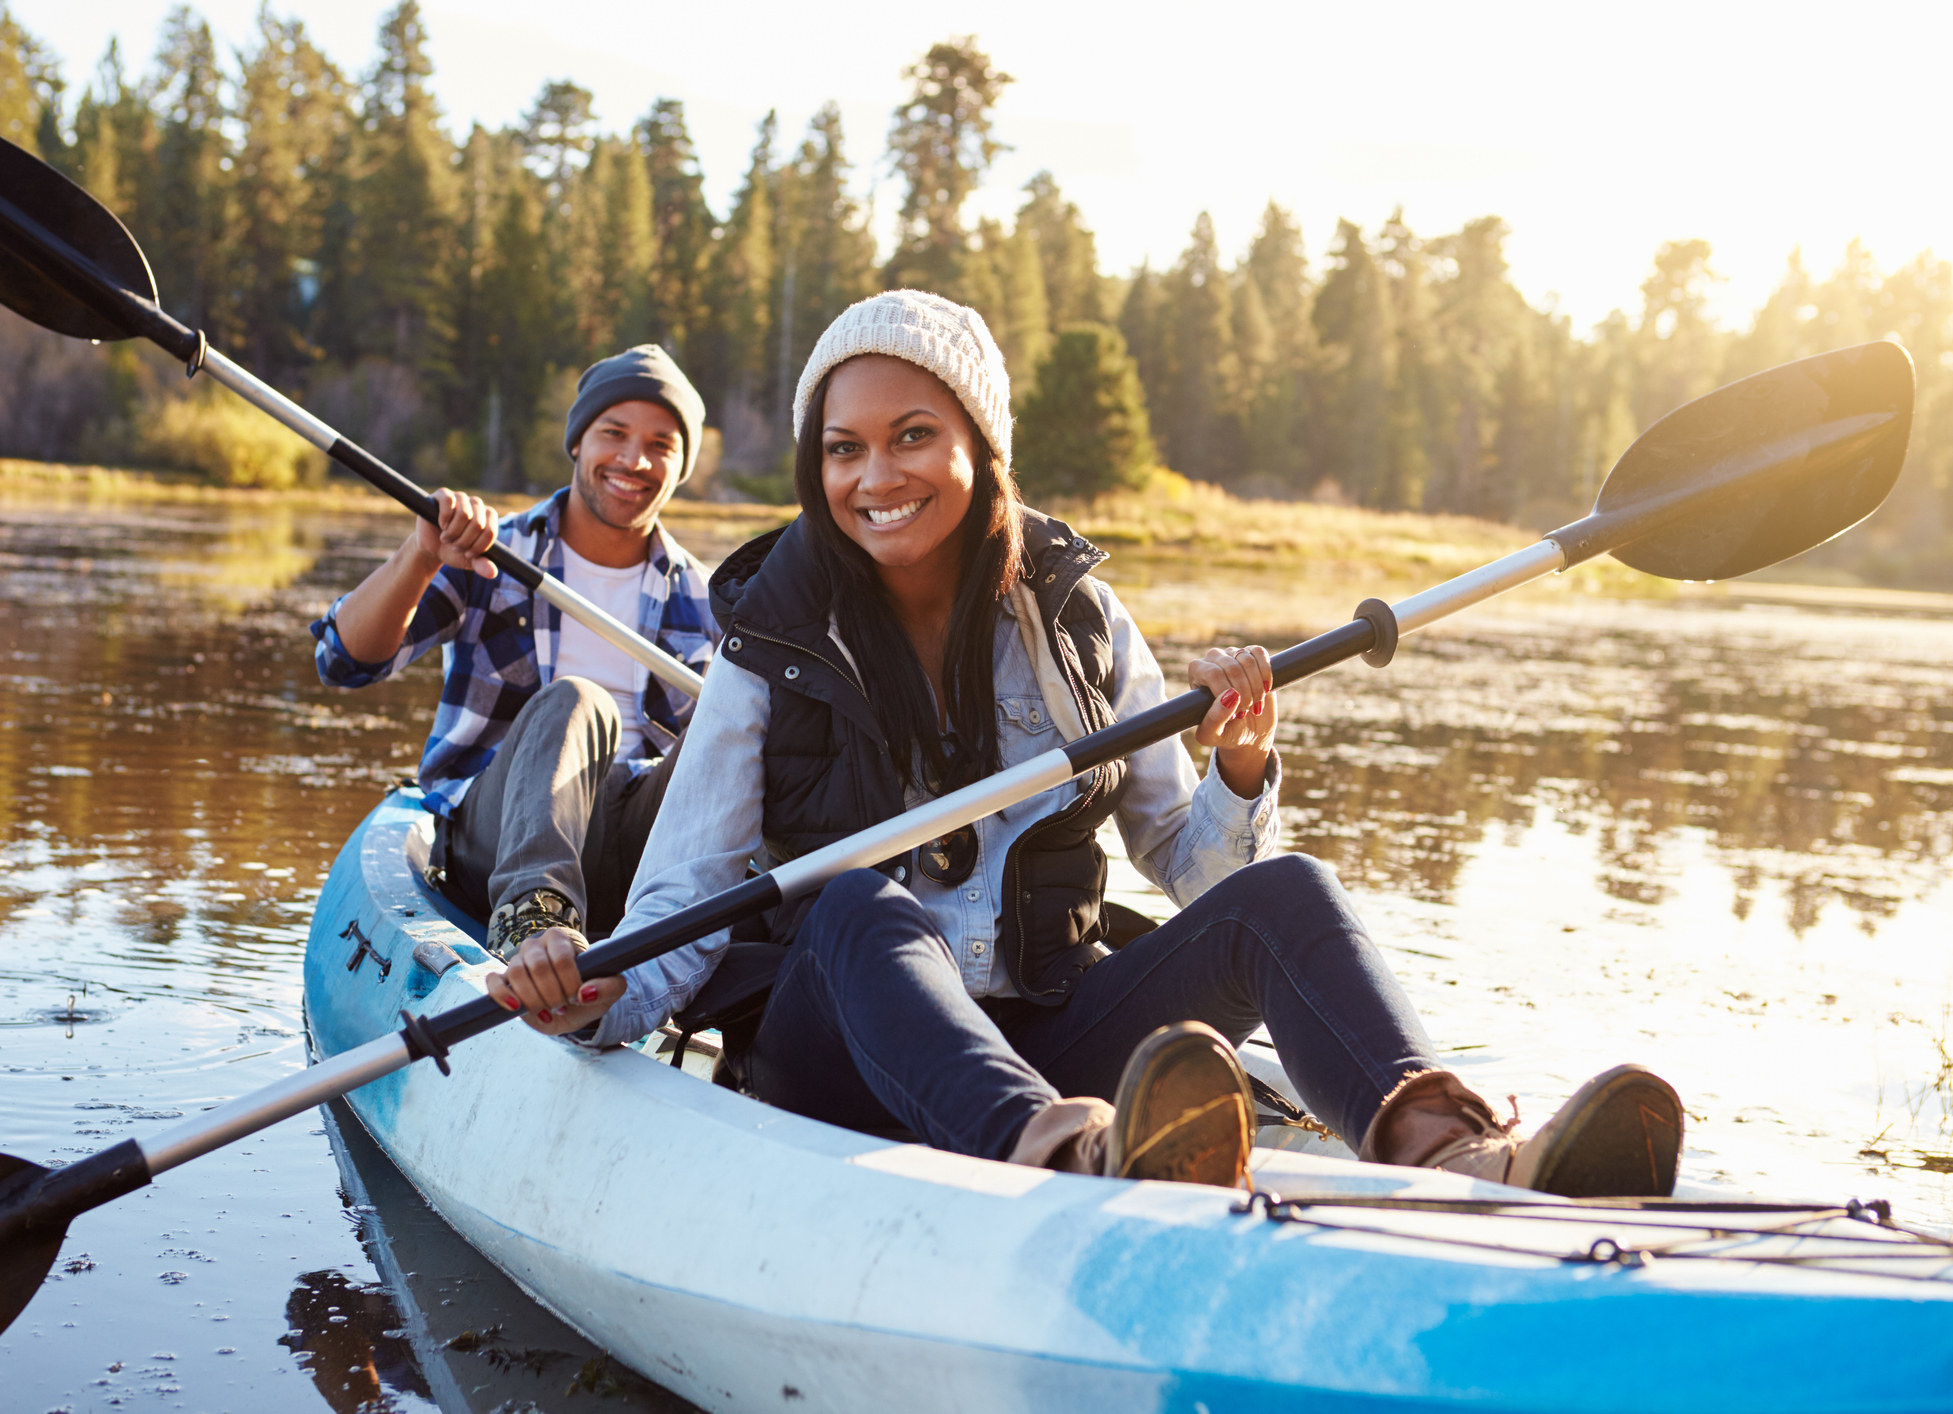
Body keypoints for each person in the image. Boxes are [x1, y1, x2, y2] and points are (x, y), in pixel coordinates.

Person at [487, 293, 1685, 1196]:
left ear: (980, 447)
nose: (873, 475)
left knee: (1289, 892)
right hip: (842, 1048)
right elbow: (686, 891)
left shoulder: (1079, 623)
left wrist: (1240, 768)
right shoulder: (770, 638)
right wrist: (590, 993)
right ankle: (1067, 1154)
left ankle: (1460, 1151)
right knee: (858, 908)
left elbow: (1193, 864)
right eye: (843, 449)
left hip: (1047, 1025)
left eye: (911, 436)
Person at [311, 344, 721, 958]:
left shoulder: (706, 596)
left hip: (638, 854)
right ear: (578, 442)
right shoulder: (489, 551)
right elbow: (343, 663)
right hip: (496, 834)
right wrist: (421, 557)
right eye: (614, 432)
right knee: (577, 703)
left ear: (682, 465)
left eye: (661, 444)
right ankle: (534, 922)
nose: (634, 459)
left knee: (736, 720)